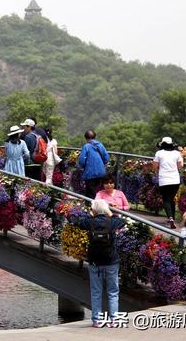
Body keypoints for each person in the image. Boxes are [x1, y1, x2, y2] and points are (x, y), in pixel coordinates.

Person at [74, 199, 126, 327]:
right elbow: (122, 222)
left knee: (96, 291)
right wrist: (111, 213)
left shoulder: (89, 222)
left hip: (95, 261)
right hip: (111, 260)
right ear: (106, 209)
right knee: (113, 291)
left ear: (94, 210)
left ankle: (97, 320)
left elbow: (78, 222)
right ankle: (114, 319)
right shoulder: (112, 222)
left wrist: (89, 214)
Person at [152, 136, 183, 229]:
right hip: (175, 180)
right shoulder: (177, 153)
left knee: (166, 199)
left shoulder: (159, 153)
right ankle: (172, 217)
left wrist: (158, 169)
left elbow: (155, 166)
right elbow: (180, 166)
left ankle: (170, 217)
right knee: (171, 198)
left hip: (164, 179)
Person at [78, 130, 110, 199]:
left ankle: (91, 207)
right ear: (95, 137)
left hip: (90, 173)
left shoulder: (86, 146)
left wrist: (83, 167)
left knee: (90, 193)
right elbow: (106, 158)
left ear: (86, 138)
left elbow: (82, 161)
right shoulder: (100, 145)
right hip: (101, 173)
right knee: (100, 191)